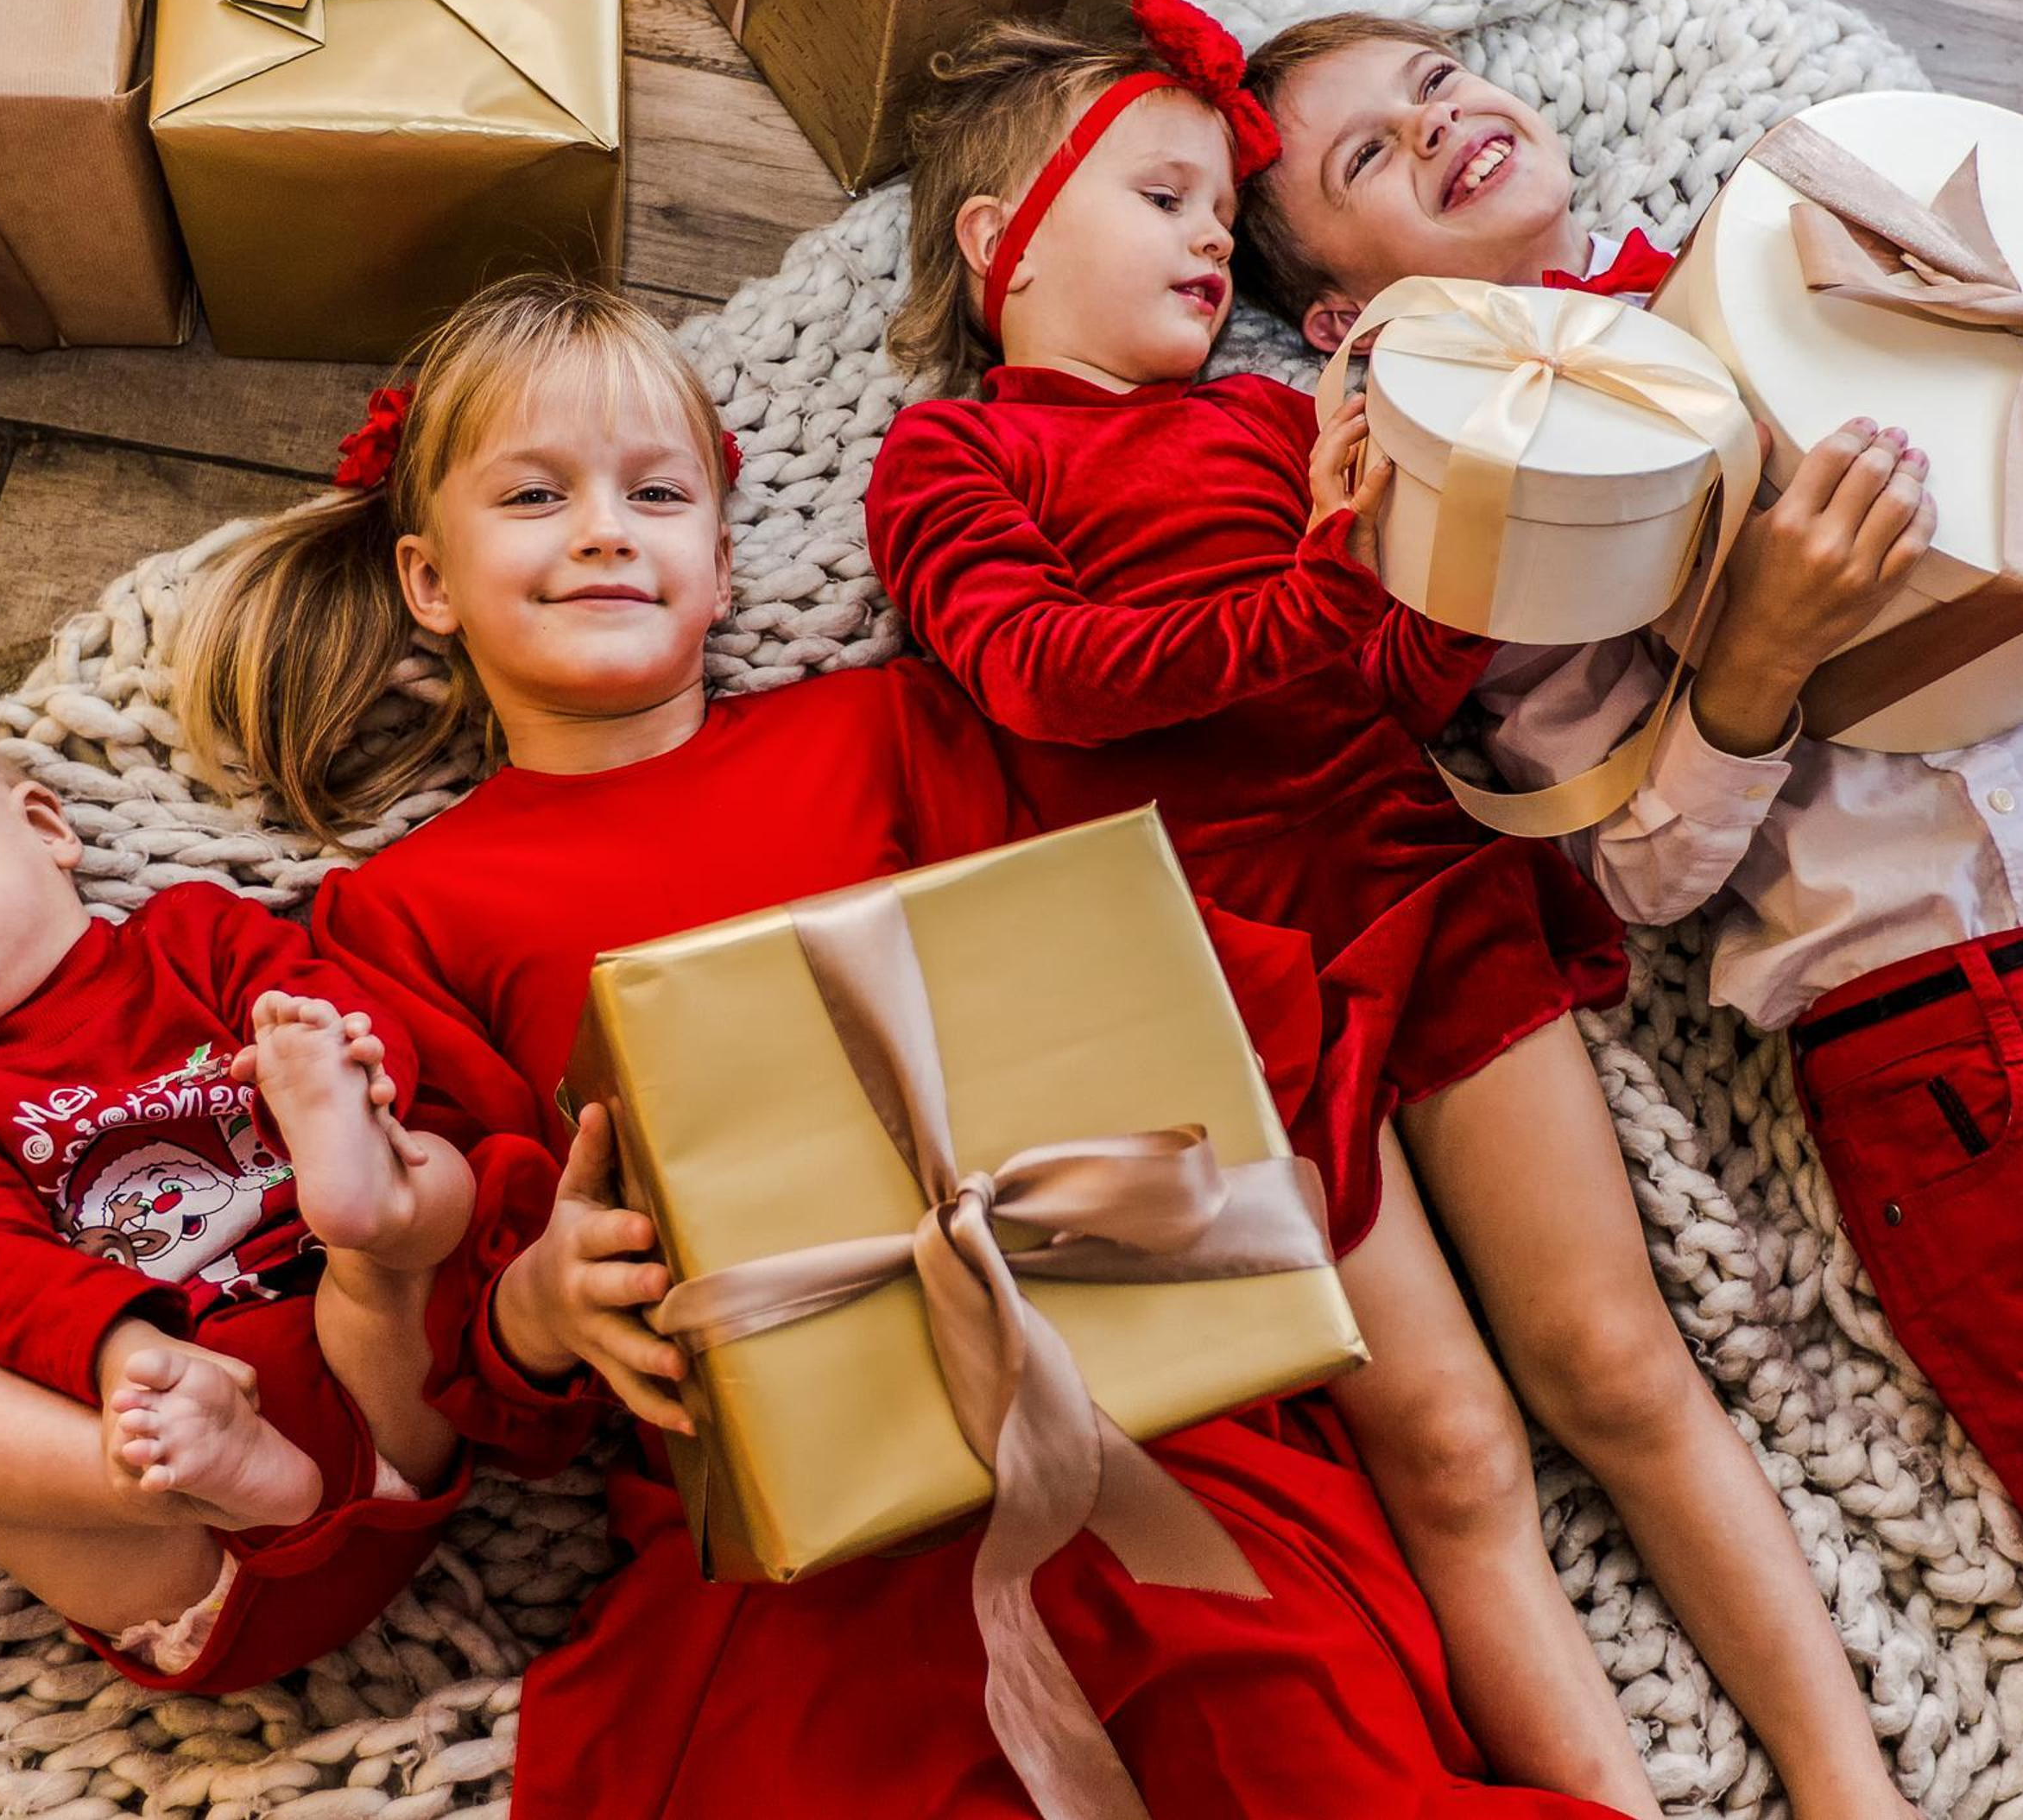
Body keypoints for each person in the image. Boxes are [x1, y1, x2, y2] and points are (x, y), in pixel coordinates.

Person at [177, 273, 1633, 1820]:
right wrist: (546, 1305)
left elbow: (1122, 973)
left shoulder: (890, 730)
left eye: (655, 494)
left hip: (1106, 1401)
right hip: (803, 1517)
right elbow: (465, 1313)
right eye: (537, 496)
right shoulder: (400, 915)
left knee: (1292, 1733)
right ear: (427, 580)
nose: (604, 530)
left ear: (724, 565)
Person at [1236, 9, 1941, 1820]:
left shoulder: (1770, 260)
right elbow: (1633, 874)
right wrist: (1758, 656)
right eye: (1368, 158)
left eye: (1438, 76)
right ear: (1343, 328)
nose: (1439, 118)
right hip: (1935, 990)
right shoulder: (1479, 521)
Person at [0, 701, 543, 1692]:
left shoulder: (191, 937)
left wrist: (328, 1067)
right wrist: (139, 1375)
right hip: (185, 1547)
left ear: (44, 829)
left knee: (432, 1172)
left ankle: (356, 1187)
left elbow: (341, 1011)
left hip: (374, 1384)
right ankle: (178, 1480)